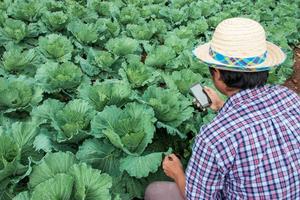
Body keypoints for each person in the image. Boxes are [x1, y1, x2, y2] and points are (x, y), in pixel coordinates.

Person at [144, 17, 300, 199]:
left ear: (217, 74)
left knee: (154, 191)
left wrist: (177, 172)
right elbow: (256, 121)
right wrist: (221, 106)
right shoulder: (291, 98)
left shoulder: (214, 137)